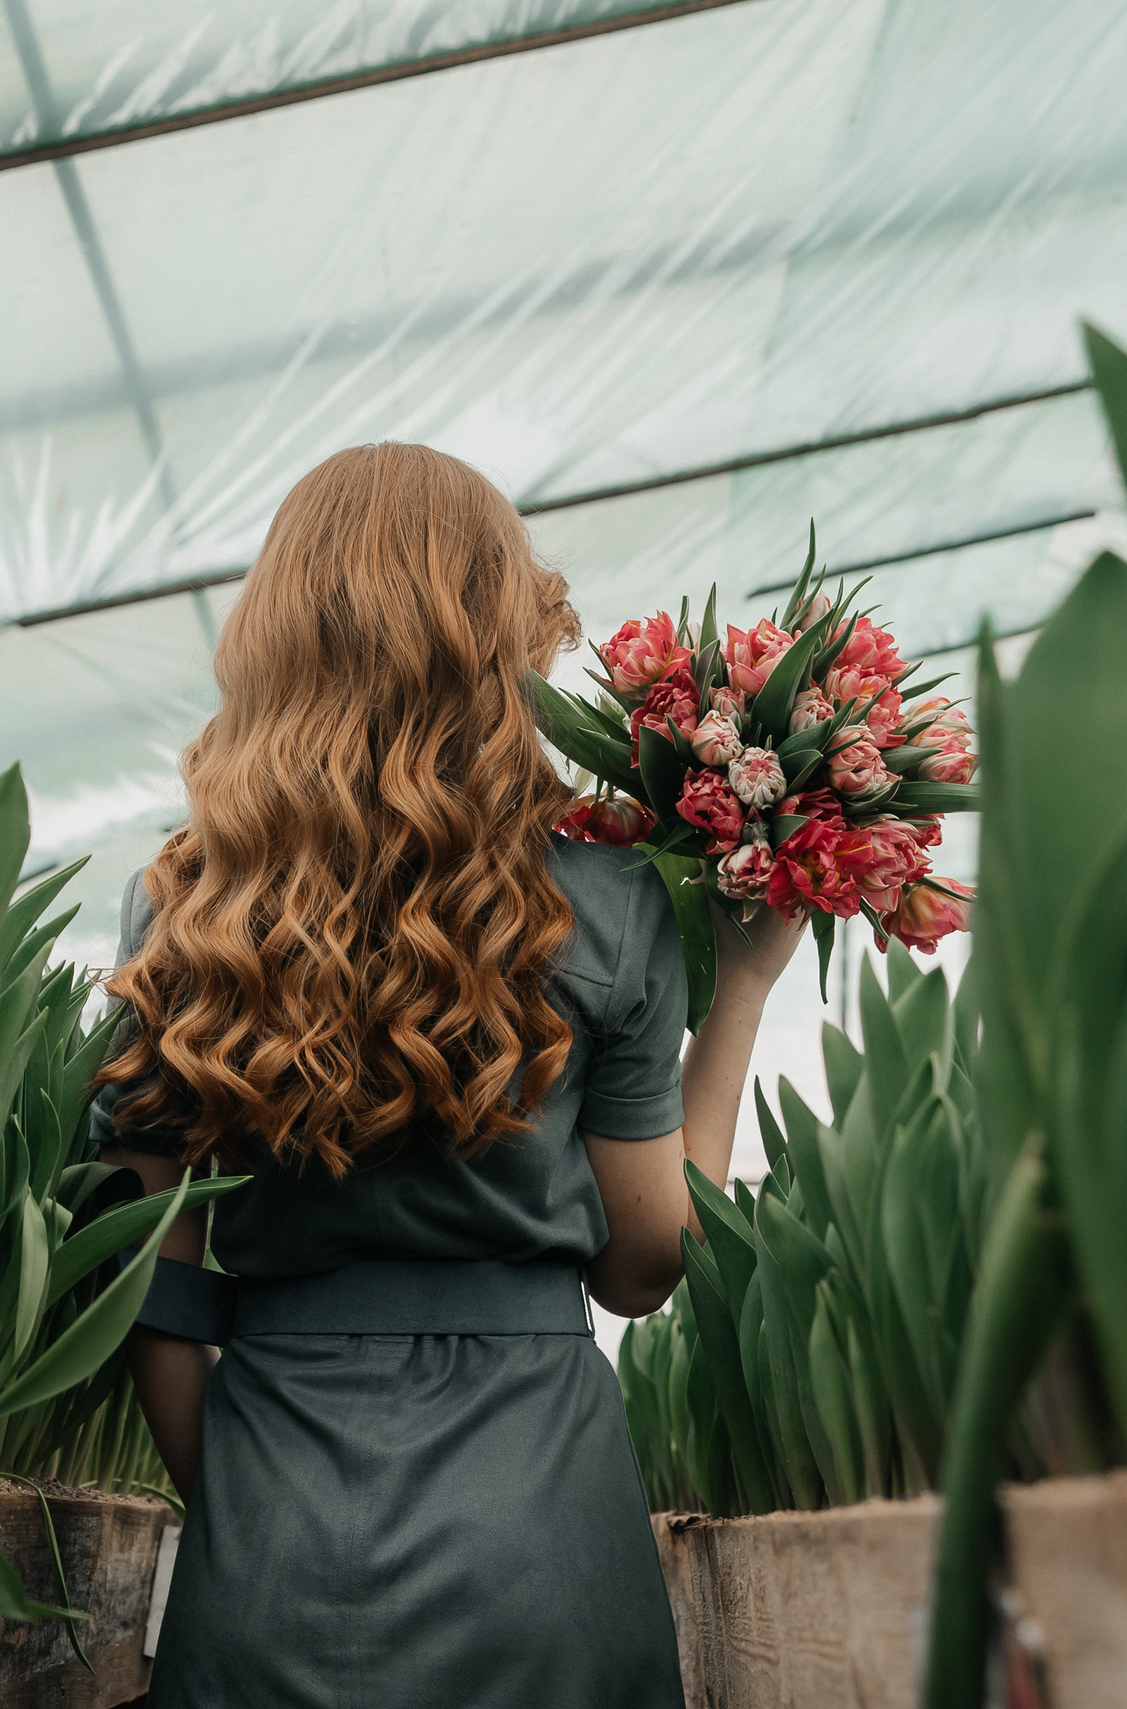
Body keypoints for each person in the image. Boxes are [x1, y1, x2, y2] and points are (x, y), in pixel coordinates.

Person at [91, 441, 804, 1709]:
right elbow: (642, 1268)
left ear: (276, 635)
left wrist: (241, 1506)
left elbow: (144, 1279)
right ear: (500, 638)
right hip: (545, 1535)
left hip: (272, 1522)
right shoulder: (607, 904)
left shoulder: (184, 910)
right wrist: (740, 985)